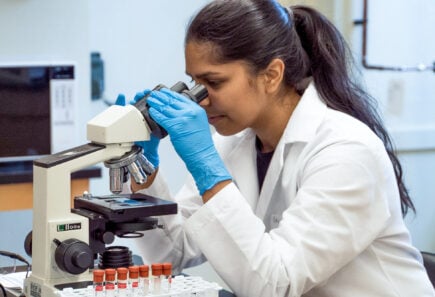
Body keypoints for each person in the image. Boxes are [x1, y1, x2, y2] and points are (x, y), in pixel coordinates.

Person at [116, 1, 435, 296]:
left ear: (271, 75)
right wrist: (142, 169)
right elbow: (173, 253)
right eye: (194, 82)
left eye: (214, 82)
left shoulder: (346, 150)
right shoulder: (232, 143)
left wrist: (208, 171)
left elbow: (275, 284)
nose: (200, 98)